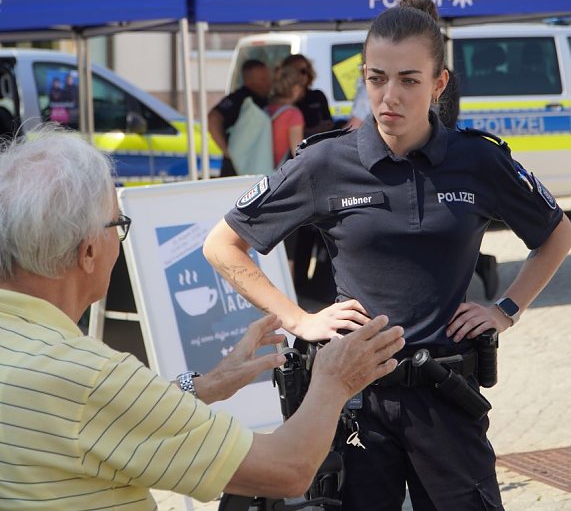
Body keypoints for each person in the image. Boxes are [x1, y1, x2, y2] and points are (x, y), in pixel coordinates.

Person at [204, 0, 571, 511]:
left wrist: (504, 310)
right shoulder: (325, 162)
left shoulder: (478, 160)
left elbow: (556, 234)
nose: (389, 96)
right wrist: (297, 318)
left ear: (439, 84)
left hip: (447, 395)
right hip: (353, 402)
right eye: (376, 78)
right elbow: (222, 244)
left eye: (408, 80)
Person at [0, 127, 404, 510]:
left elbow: (109, 419)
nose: (118, 243)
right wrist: (334, 382)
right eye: (118, 226)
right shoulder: (91, 380)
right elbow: (287, 469)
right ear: (88, 252)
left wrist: (206, 386)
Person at [399, 0, 500, 301]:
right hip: (413, 158)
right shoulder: (401, 63)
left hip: (432, 160)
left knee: (436, 231)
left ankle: (472, 269)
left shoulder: (440, 72)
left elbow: (443, 121)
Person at [208, 59, 273, 176]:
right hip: (237, 168)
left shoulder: (265, 99)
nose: (269, 82)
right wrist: (227, 152)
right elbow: (213, 118)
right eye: (263, 79)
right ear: (249, 80)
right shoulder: (239, 99)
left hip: (256, 164)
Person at [281, 53, 334, 135]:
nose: (305, 74)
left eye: (307, 70)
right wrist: (312, 130)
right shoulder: (281, 100)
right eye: (301, 71)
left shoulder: (318, 96)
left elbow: (329, 124)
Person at [266, 62, 305, 167]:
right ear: (296, 88)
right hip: (277, 172)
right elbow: (297, 153)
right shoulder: (293, 114)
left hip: (258, 169)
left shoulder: (265, 109)